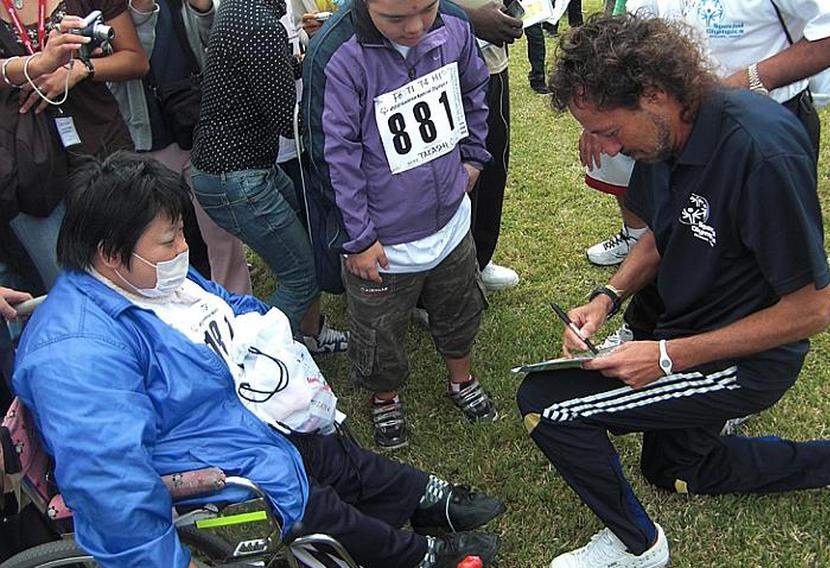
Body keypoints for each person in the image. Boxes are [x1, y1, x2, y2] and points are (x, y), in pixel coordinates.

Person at [517, 15, 830, 568]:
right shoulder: (666, 137)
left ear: (656, 94)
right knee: (676, 471)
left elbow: (813, 309)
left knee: (547, 405)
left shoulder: (760, 152)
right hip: (682, 325)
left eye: (610, 131)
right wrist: (607, 296)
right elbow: (664, 233)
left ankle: (638, 547)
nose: (601, 147)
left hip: (747, 358)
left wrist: (667, 358)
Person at [12, 152, 504, 568]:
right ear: (109, 253)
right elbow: (113, 489)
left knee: (331, 447)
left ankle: (420, 499)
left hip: (233, 416)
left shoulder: (147, 283)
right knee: (311, 494)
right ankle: (412, 554)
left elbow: (230, 306)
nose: (184, 249)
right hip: (210, 459)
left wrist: (270, 336)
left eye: (182, 233)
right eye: (169, 240)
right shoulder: (77, 352)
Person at [302, 0, 498, 449]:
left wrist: (473, 154)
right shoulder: (340, 56)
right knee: (377, 331)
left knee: (459, 307)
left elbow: (474, 89)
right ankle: (385, 397)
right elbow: (336, 155)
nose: (414, 28)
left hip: (450, 222)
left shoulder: (455, 27)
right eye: (394, 19)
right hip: (384, 243)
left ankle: (461, 379)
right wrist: (359, 237)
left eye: (425, 10)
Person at [584, 0, 830, 266]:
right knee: (673, 233)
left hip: (759, 128)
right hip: (678, 126)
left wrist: (747, 80)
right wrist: (603, 118)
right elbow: (640, 28)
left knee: (753, 256)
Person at [190, 0, 347, 355]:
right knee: (301, 276)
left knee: (305, 244)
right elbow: (287, 120)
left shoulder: (237, 9)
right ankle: (258, 363)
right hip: (237, 179)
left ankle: (311, 333)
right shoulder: (260, 26)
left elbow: (261, 81)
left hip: (244, 169)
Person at [109, 0, 254, 295]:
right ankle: (184, 311)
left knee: (221, 229)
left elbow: (211, 42)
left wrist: (203, 9)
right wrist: (141, 10)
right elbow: (136, 58)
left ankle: (238, 305)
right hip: (150, 132)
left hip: (198, 120)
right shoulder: (111, 7)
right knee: (165, 234)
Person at [0, 0, 148, 289]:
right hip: (28, 166)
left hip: (101, 143)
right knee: (71, 284)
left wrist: (81, 68)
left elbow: (136, 59)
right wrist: (36, 64)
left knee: (138, 260)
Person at [452, 0, 523, 290]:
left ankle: (477, 260)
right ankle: (436, 285)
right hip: (436, 65)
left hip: (489, 60)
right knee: (447, 171)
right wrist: (465, 16)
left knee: (491, 166)